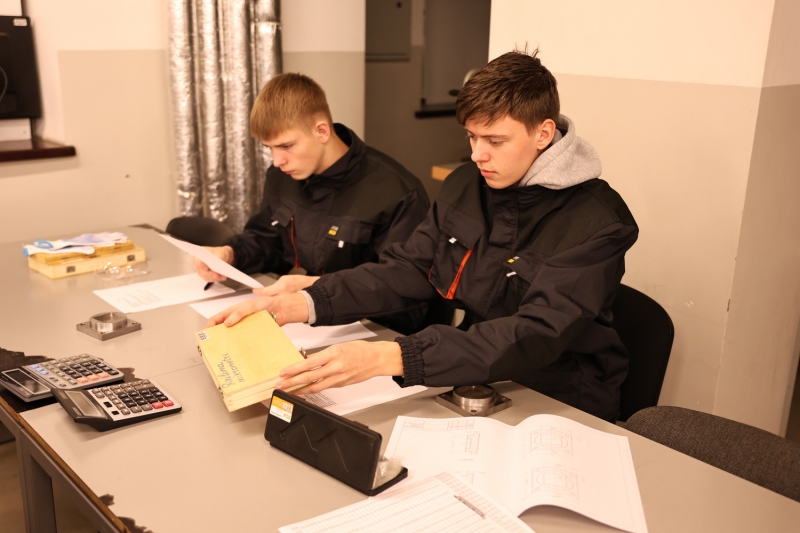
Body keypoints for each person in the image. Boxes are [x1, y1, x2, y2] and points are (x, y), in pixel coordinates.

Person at [209, 50, 639, 422]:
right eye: (471, 137)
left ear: (543, 134)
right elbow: (408, 268)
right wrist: (304, 303)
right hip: (476, 376)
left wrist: (392, 356)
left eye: (494, 140)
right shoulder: (467, 185)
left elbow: (536, 332)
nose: (477, 155)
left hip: (561, 394)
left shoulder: (598, 222)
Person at [193, 73, 431, 333]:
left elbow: (401, 285)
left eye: (286, 146)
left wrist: (313, 289)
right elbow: (268, 240)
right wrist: (231, 253)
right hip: (312, 322)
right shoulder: (283, 176)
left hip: (378, 331)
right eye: (269, 148)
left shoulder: (397, 192)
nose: (277, 161)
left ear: (321, 131)